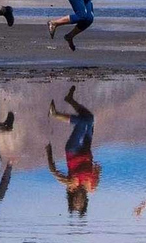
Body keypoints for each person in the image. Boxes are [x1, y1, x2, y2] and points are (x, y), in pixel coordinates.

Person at [46, 85, 101, 216]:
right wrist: (97, 170)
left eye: (76, 201)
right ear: (85, 202)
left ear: (72, 197)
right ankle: (70, 100)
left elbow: (54, 171)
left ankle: (55, 114)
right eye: (80, 203)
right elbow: (98, 170)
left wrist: (49, 153)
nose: (79, 199)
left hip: (73, 150)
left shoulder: (71, 184)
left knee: (82, 123)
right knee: (89, 119)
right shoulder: (92, 187)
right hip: (86, 148)